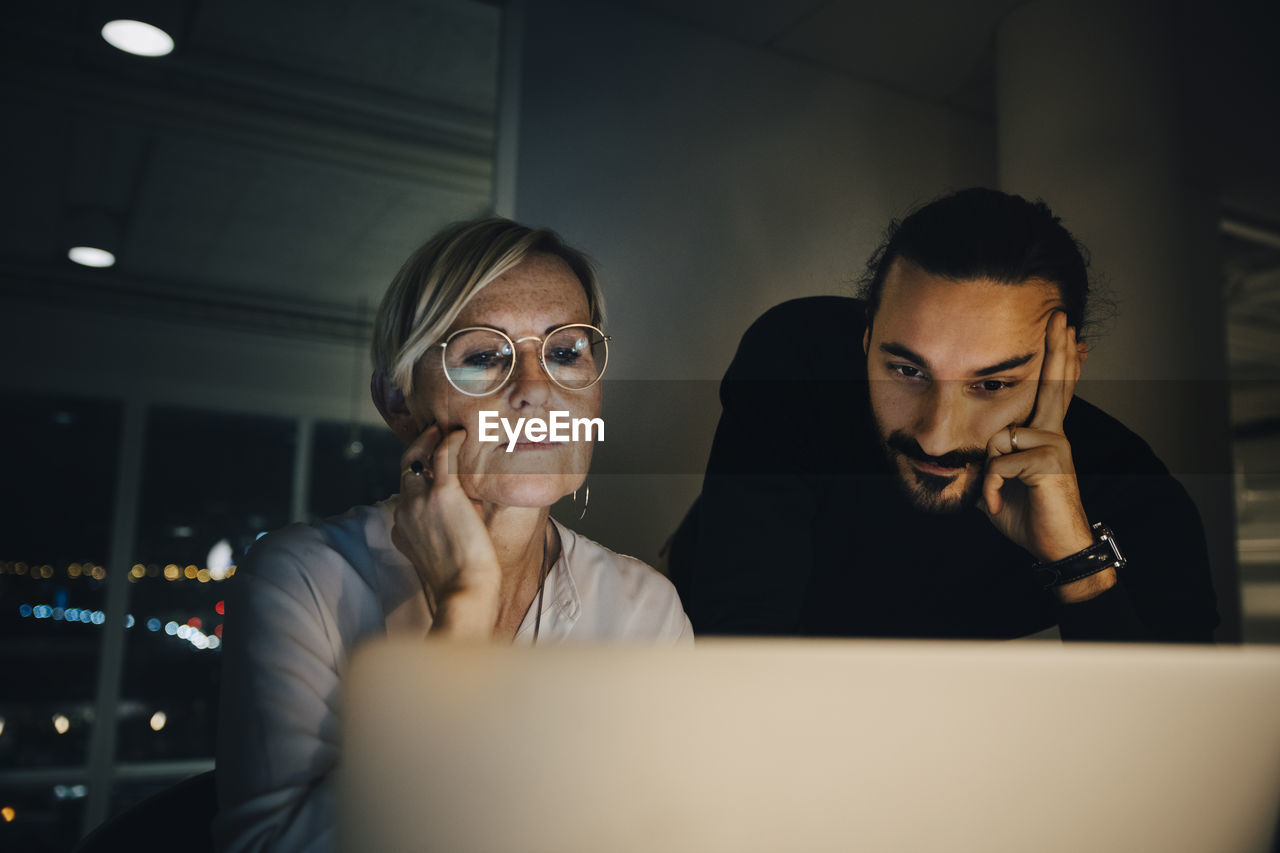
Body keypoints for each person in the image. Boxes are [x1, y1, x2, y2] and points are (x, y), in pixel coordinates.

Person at [214, 218, 692, 852]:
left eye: (566, 350)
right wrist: (464, 611)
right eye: (484, 356)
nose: (536, 390)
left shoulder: (642, 608)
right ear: (397, 401)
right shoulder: (304, 578)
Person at [669, 188, 1218, 643]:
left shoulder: (1137, 495)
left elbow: (1173, 740)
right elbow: (740, 646)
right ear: (866, 340)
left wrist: (1075, 559)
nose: (936, 436)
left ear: (1065, 369)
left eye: (993, 383)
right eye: (907, 371)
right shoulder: (797, 363)